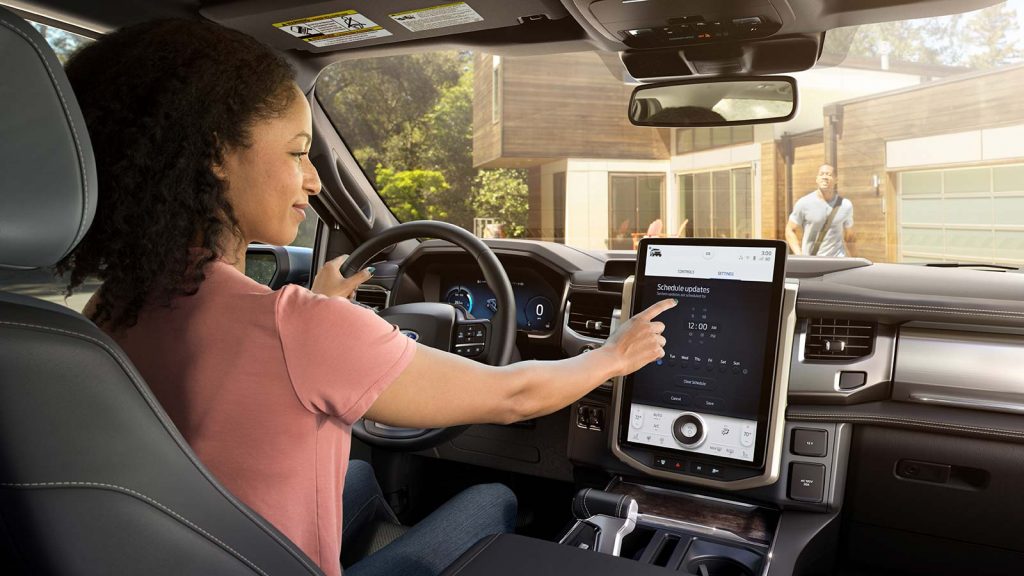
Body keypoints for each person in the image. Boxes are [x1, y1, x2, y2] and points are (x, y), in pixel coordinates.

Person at [57, 19, 675, 576]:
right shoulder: (300, 328)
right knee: (496, 498)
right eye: (300, 153)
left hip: (185, 548)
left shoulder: (109, 310)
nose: (315, 179)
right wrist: (615, 356)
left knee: (354, 475)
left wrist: (314, 302)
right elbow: (515, 396)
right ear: (219, 153)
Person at [785, 163, 856, 257]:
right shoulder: (804, 203)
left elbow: (850, 237)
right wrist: (799, 255)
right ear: (817, 179)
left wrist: (855, 260)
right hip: (812, 261)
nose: (825, 177)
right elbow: (790, 229)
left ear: (836, 180)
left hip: (837, 261)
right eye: (821, 174)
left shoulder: (845, 205)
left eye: (829, 174)